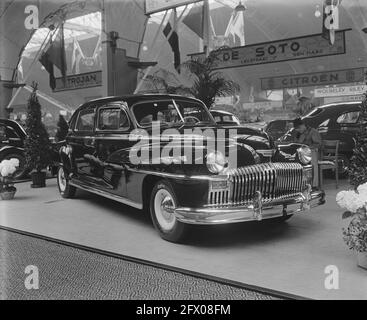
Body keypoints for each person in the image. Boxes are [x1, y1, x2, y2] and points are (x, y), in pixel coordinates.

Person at [292, 118, 322, 187]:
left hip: (312, 153)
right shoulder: (298, 133)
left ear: (303, 125)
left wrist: (307, 147)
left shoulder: (313, 132)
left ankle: (314, 185)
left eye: (299, 128)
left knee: (311, 161)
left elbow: (318, 144)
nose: (299, 130)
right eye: (297, 129)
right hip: (301, 154)